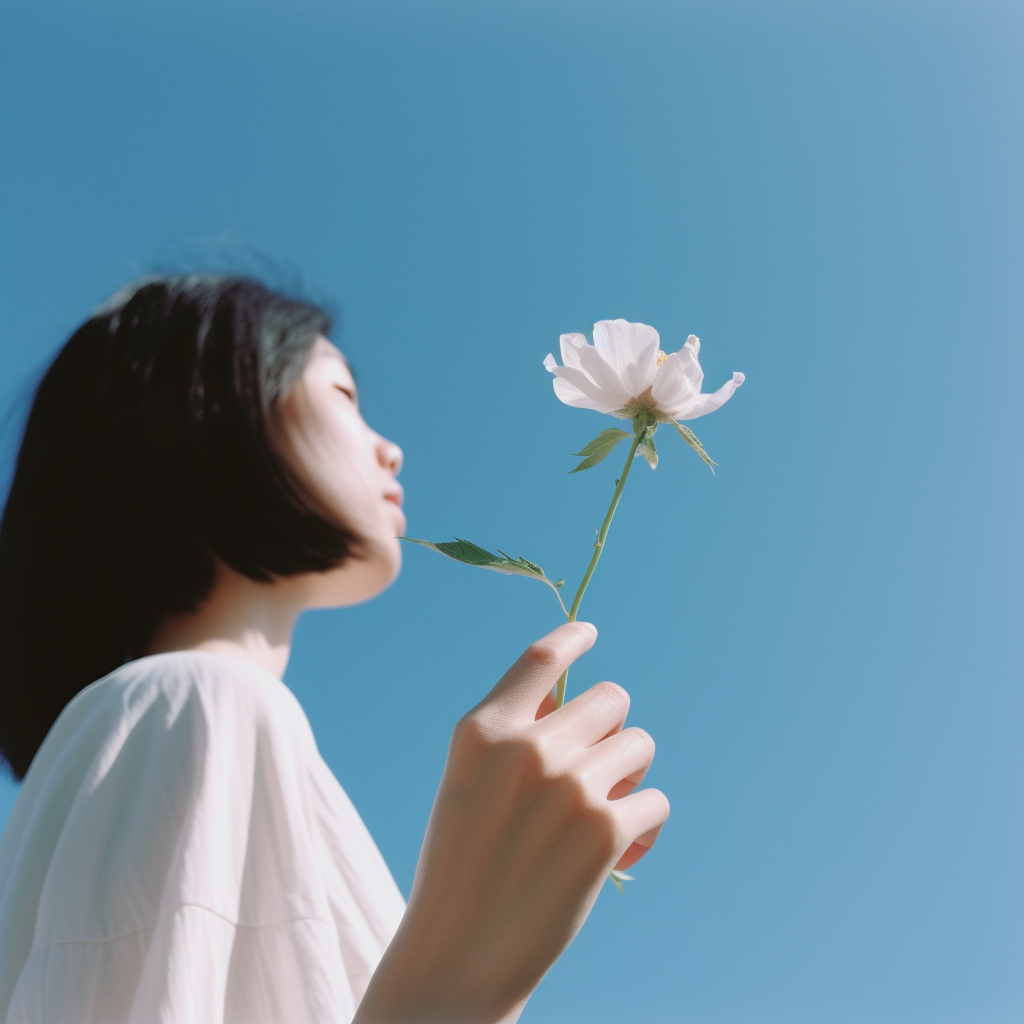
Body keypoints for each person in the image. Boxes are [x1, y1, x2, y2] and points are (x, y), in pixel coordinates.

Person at [0, 275, 669, 1024]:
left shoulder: (189, 720)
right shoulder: (197, 702)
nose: (392, 450)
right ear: (207, 407)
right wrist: (462, 973)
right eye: (345, 397)